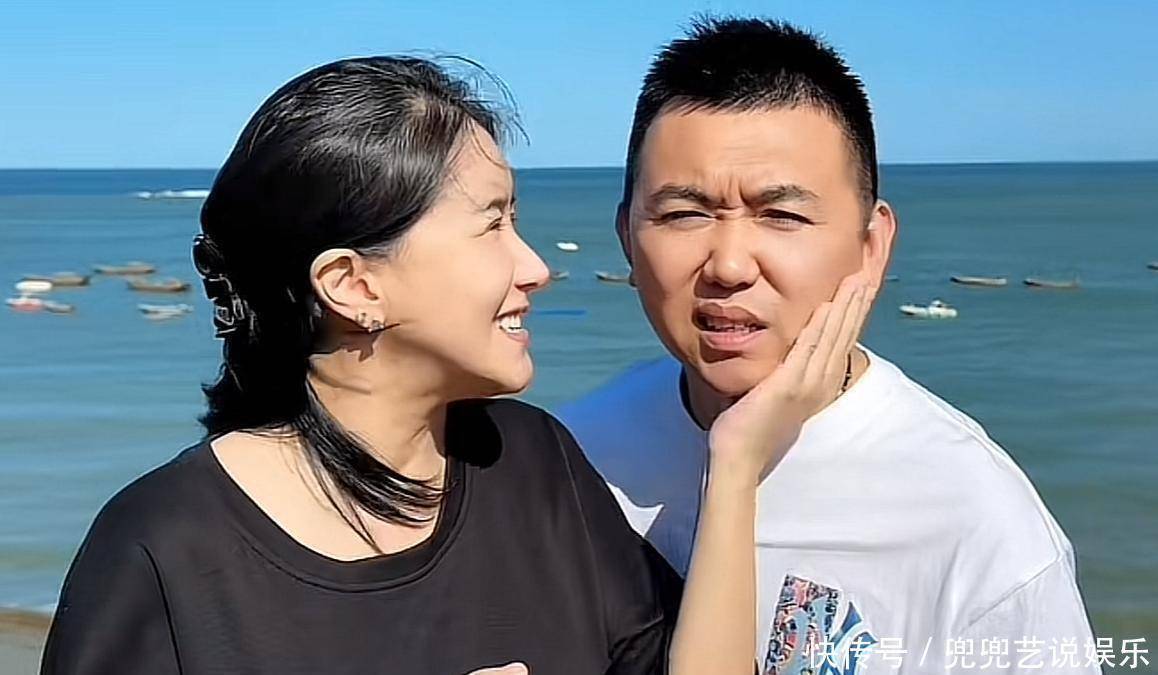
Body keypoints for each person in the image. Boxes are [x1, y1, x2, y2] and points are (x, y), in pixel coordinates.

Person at [41, 56, 870, 674]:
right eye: (492, 223)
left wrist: (735, 464)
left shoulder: (536, 466)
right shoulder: (163, 549)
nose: (535, 268)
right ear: (353, 285)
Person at [559, 17, 1099, 674]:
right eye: (683, 214)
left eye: (782, 215)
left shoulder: (976, 525)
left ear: (872, 248)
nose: (729, 264)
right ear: (626, 236)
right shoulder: (572, 459)